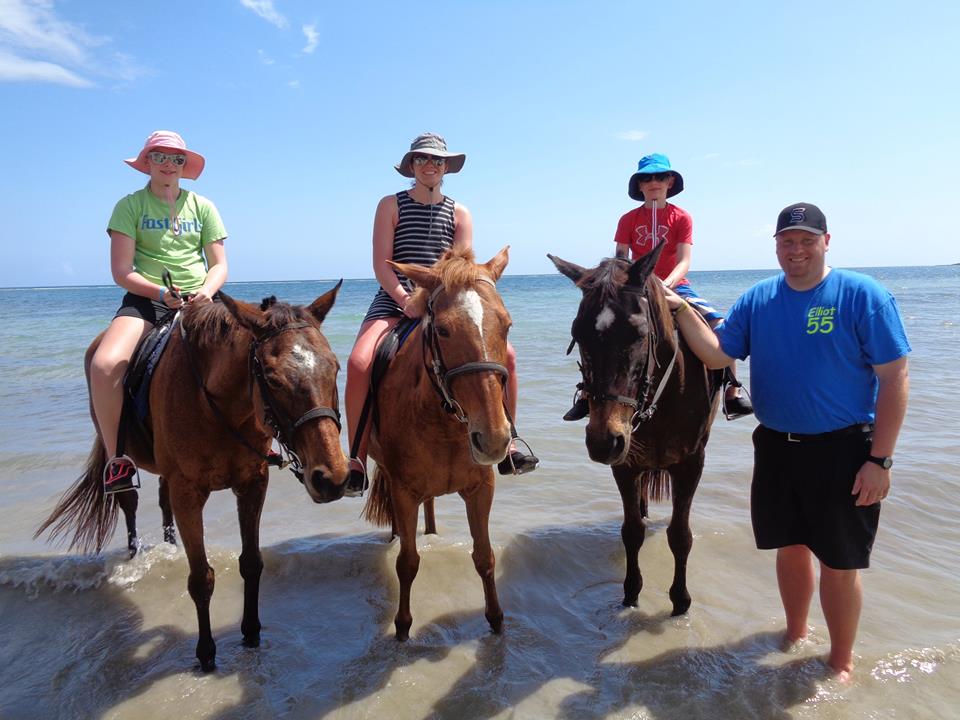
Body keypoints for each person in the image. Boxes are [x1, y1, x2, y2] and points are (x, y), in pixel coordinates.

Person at [663, 202, 910, 679]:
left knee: (839, 562)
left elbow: (895, 377)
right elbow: (717, 355)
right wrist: (680, 309)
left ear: (826, 242)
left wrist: (880, 460)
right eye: (787, 241)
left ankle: (840, 663)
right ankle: (795, 634)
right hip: (776, 446)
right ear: (776, 245)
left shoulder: (863, 295)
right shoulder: (759, 298)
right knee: (790, 547)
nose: (796, 250)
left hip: (845, 449)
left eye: (806, 240)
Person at [345, 132, 538, 495]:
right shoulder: (391, 204)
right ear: (411, 165)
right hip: (395, 299)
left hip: (445, 301)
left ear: (446, 167)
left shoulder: (459, 212)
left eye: (436, 160)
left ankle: (510, 441)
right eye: (422, 159)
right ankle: (356, 457)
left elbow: (462, 269)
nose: (429, 165)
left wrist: (442, 301)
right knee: (359, 362)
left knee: (508, 357)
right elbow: (382, 265)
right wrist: (405, 299)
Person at [564, 153, 752, 421]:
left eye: (660, 176)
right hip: (635, 287)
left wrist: (665, 285)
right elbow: (621, 260)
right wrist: (631, 285)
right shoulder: (628, 219)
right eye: (647, 178)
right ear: (639, 185)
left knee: (719, 324)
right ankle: (587, 394)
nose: (654, 182)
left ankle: (732, 391)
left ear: (670, 181)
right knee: (599, 329)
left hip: (675, 285)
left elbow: (684, 261)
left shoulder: (681, 217)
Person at [91, 130, 228, 494]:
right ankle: (116, 459)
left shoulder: (203, 206)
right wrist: (159, 293)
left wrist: (206, 292)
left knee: (256, 352)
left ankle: (264, 440)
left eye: (177, 158)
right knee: (104, 365)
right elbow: (122, 271)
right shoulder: (129, 206)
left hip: (203, 300)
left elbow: (219, 264)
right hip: (147, 300)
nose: (169, 164)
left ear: (185, 165)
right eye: (160, 157)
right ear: (147, 162)